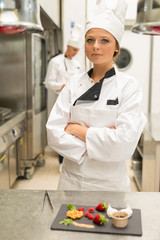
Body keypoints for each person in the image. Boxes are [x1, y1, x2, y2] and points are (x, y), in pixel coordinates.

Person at [46, 0, 147, 191]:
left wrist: (78, 131)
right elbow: (53, 133)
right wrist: (103, 140)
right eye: (90, 40)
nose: (95, 46)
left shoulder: (129, 87)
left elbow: (123, 144)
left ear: (116, 47)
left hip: (110, 185)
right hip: (71, 182)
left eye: (105, 40)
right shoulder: (73, 84)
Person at [45, 24, 83, 173]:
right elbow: (48, 83)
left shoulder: (77, 64)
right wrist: (63, 86)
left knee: (74, 131)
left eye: (77, 51)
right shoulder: (55, 62)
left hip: (76, 103)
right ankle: (61, 161)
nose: (75, 53)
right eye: (74, 49)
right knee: (62, 131)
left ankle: (72, 159)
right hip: (60, 101)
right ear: (67, 46)